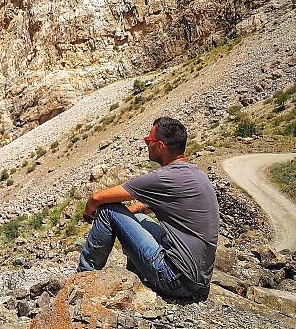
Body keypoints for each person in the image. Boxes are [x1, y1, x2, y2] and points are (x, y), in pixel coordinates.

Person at [76, 116, 218, 299]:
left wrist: (89, 213)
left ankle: (82, 279)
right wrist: (129, 214)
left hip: (175, 279)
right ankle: (137, 274)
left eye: (148, 141)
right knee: (139, 220)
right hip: (198, 279)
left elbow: (96, 198)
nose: (146, 144)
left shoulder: (163, 178)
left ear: (159, 146)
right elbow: (145, 206)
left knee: (107, 209)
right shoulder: (195, 173)